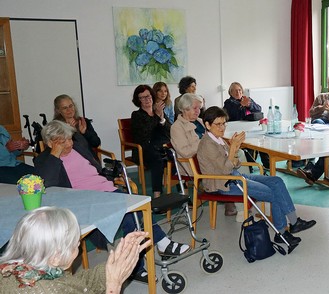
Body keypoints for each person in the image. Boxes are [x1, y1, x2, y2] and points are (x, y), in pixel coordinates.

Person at [33, 120, 189, 282]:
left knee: (139, 207)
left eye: (69, 138)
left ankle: (139, 264)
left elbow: (96, 170)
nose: (69, 143)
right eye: (62, 141)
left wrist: (113, 176)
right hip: (84, 201)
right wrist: (54, 155)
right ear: (50, 143)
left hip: (107, 191)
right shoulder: (44, 161)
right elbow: (48, 185)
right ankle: (160, 246)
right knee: (130, 216)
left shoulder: (78, 148)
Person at [197, 106, 316, 245]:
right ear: (207, 124)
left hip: (234, 176)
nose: (222, 127)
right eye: (218, 124)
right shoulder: (207, 144)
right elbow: (225, 169)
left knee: (276, 181)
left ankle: (295, 223)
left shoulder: (218, 139)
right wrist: (233, 148)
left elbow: (235, 163)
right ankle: (282, 233)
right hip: (223, 184)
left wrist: (233, 151)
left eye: (224, 123)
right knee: (273, 193)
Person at [0, 206, 151, 293]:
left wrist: (116, 264)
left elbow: (78, 282)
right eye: (74, 243)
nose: (79, 244)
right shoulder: (45, 290)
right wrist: (113, 286)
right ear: (55, 257)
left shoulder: (26, 270)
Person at [170, 93, 237, 216]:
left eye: (199, 108)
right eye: (195, 108)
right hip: (191, 165)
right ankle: (232, 195)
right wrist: (204, 142)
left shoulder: (200, 121)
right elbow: (185, 152)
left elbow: (214, 139)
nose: (198, 111)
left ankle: (234, 193)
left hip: (208, 159)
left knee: (238, 154)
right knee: (223, 164)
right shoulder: (176, 127)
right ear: (185, 108)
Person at [131, 84, 171, 198]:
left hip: (161, 146)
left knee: (177, 153)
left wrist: (162, 118)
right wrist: (157, 116)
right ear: (138, 100)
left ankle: (182, 188)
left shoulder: (158, 111)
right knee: (157, 158)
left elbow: (169, 130)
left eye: (148, 96)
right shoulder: (137, 115)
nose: (147, 99)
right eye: (142, 97)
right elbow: (146, 133)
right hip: (144, 149)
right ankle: (157, 195)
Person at [222, 81, 271, 170]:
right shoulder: (228, 102)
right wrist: (241, 105)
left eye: (240, 90)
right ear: (231, 92)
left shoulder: (246, 99)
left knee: (261, 139)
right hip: (236, 131)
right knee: (250, 143)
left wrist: (249, 104)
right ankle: (250, 165)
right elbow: (234, 114)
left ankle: (267, 165)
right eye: (235, 91)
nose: (238, 92)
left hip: (250, 129)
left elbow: (258, 109)